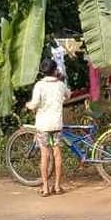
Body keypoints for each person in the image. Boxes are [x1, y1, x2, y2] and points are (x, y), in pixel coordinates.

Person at [26, 58, 70, 197]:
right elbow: (68, 95)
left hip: (43, 125)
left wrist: (28, 105)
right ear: (55, 70)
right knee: (57, 153)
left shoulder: (39, 85)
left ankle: (45, 187)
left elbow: (34, 104)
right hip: (56, 124)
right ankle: (57, 186)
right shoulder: (60, 85)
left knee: (44, 155)